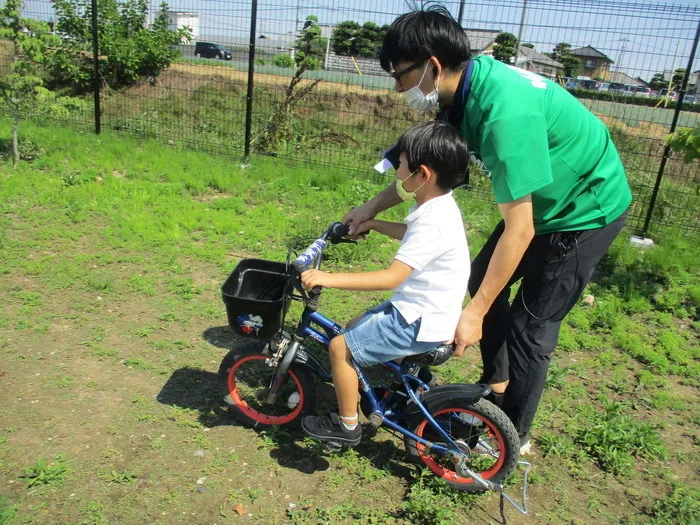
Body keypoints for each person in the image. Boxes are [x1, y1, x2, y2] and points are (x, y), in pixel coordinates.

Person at [342, 6, 632, 453]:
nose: (397, 88)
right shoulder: (462, 91)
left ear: (432, 67)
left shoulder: (503, 117)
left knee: (530, 327)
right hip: (543, 204)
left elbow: (520, 229)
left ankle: (509, 437)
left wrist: (473, 314)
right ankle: (495, 387)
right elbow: (421, 173)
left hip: (586, 208)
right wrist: (369, 207)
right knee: (483, 283)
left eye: (400, 76)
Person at [300, 120, 471, 447]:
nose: (397, 171)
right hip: (426, 310)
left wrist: (327, 278)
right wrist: (375, 223)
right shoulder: (439, 206)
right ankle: (390, 388)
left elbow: (391, 277)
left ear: (421, 174)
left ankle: (347, 426)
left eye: (402, 164)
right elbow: (412, 236)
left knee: (339, 347)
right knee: (353, 326)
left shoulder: (434, 220)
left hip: (418, 320)